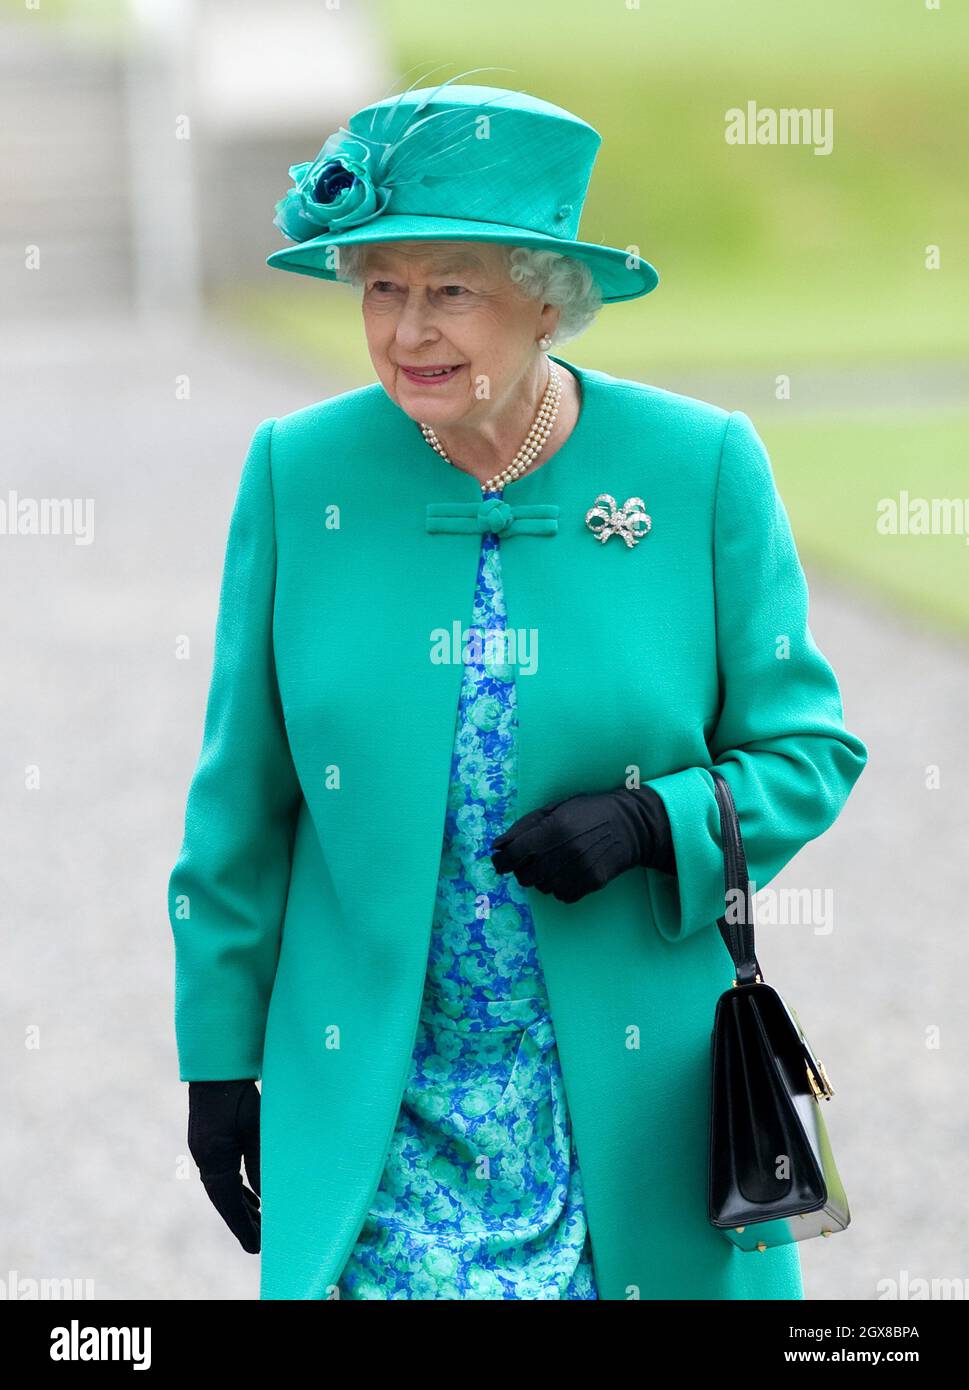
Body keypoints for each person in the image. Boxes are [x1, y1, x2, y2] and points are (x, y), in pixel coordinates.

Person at [169, 74, 868, 1301]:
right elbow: (242, 801)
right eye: (381, 287)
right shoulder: (300, 474)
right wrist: (218, 1058)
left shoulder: (699, 468)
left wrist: (658, 821)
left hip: (629, 1100)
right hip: (384, 1109)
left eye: (450, 289)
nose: (405, 331)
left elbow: (807, 750)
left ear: (549, 302)